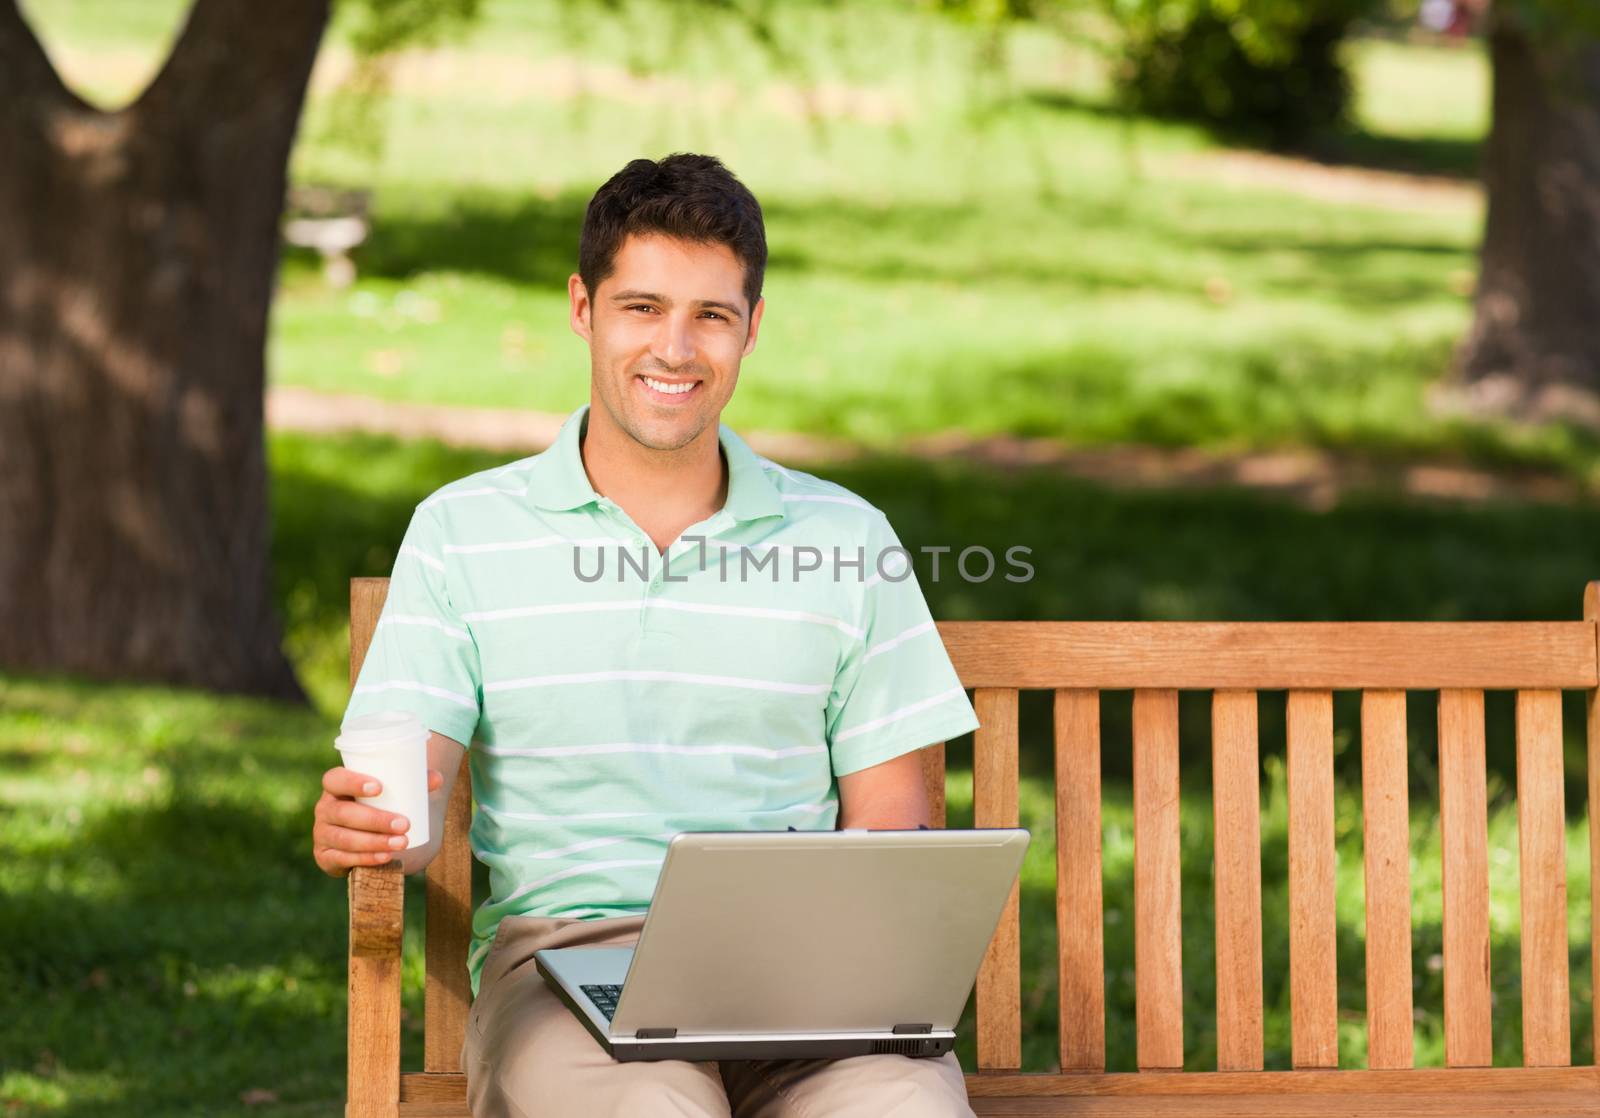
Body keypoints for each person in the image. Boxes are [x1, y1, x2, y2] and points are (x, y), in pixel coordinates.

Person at [312, 152, 982, 1117]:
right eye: (642, 308)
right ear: (583, 308)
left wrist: (855, 972)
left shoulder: (844, 539)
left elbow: (894, 829)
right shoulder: (464, 531)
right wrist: (368, 828)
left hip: (801, 985)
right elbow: (402, 792)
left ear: (752, 328)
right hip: (569, 971)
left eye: (711, 315)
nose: (676, 348)